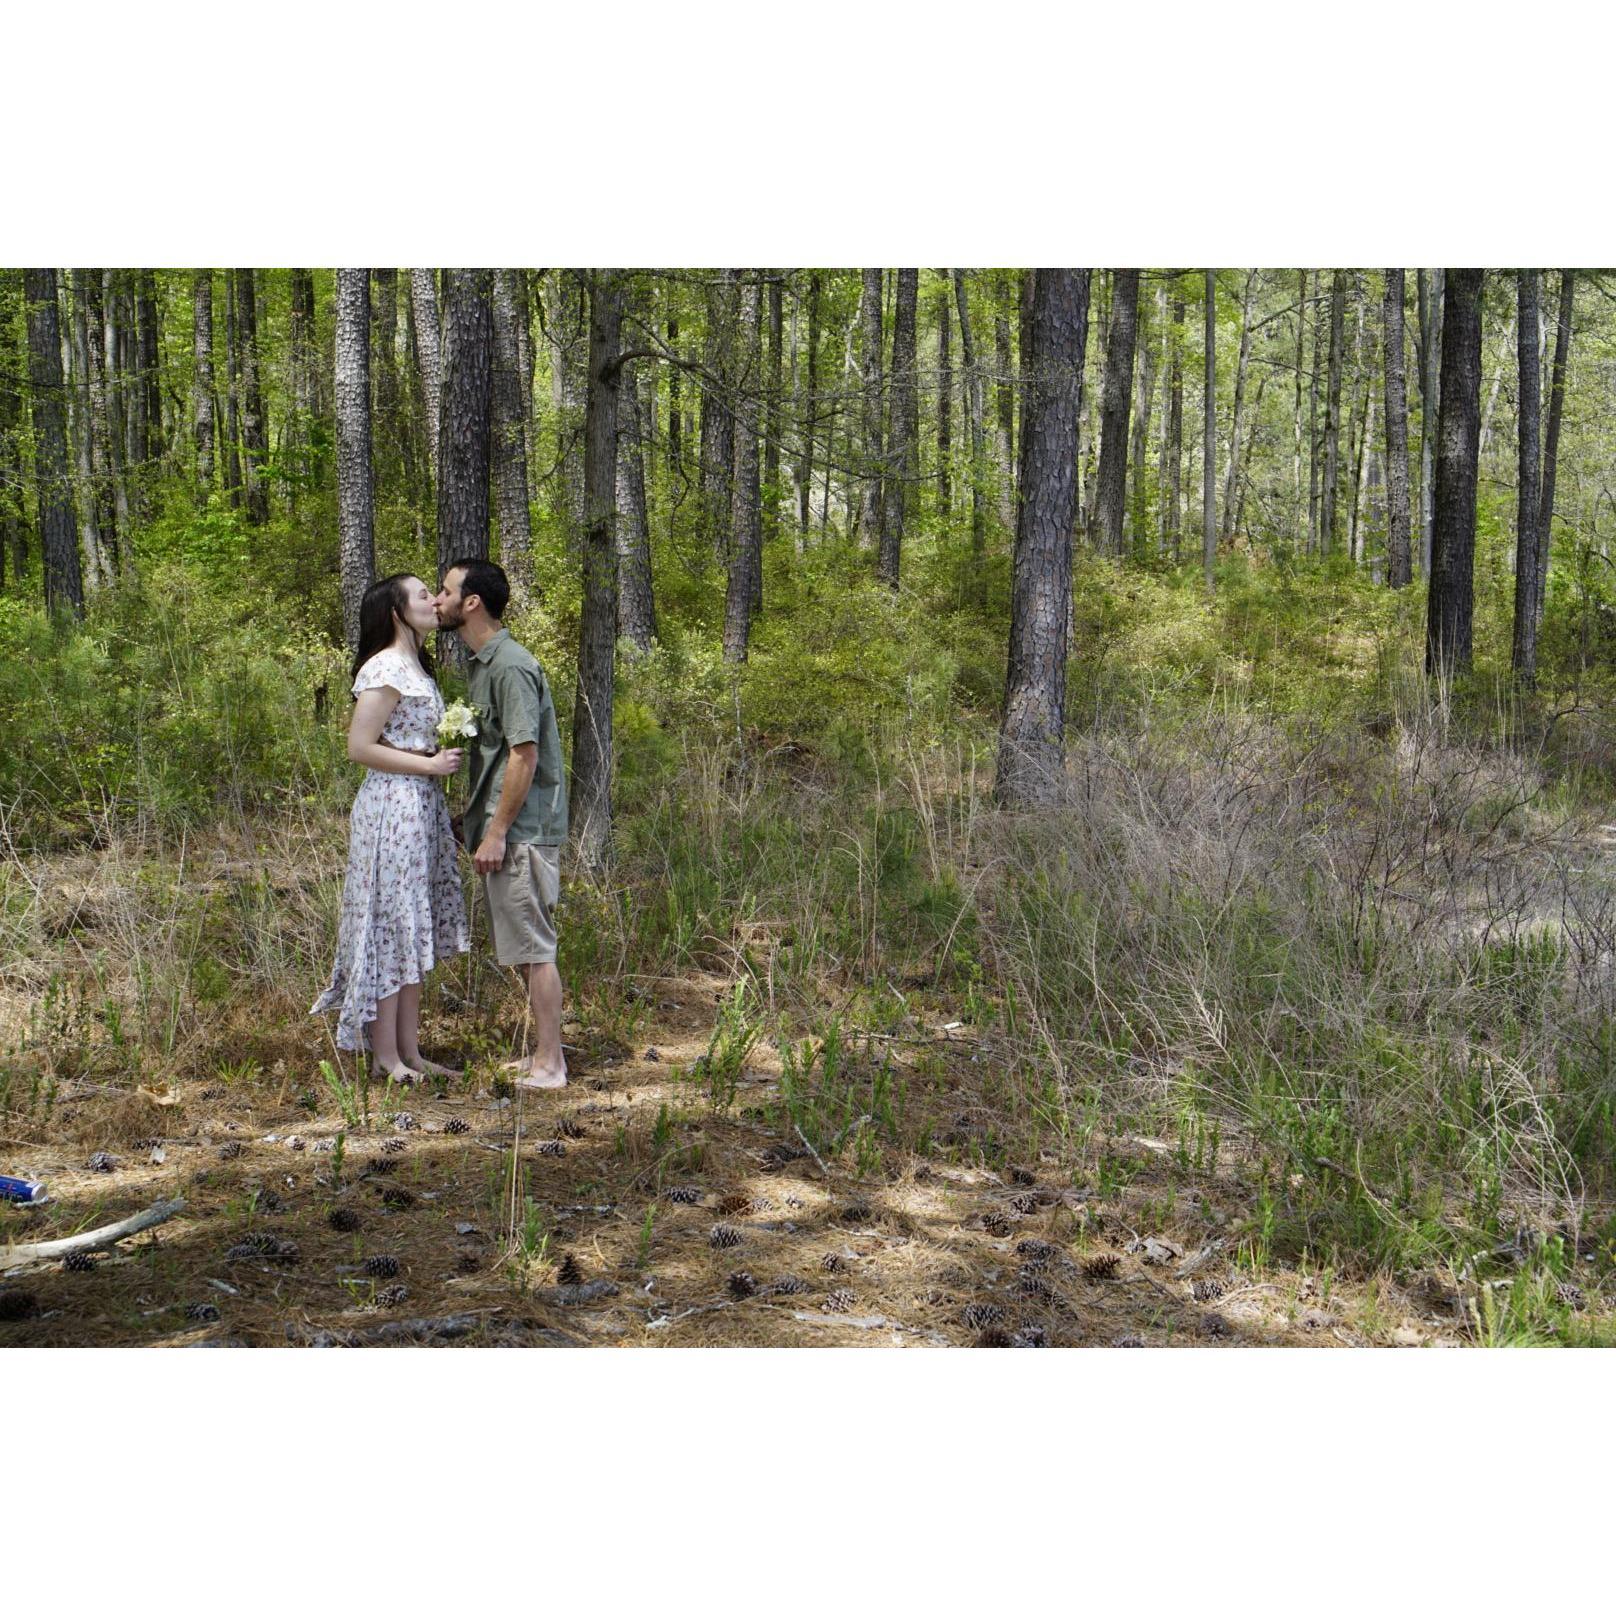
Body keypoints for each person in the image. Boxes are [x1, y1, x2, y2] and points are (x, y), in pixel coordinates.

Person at [311, 574, 469, 1078]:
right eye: (422, 595)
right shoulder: (383, 666)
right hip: (391, 807)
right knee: (391, 923)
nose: (434, 601)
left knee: (412, 923)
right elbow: (360, 747)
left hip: (420, 804)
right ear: (397, 611)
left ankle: (410, 1052)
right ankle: (384, 1057)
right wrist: (429, 764)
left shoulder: (416, 666)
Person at [434, 557, 569, 1090]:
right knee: (525, 947)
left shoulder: (510, 665)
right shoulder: (484, 665)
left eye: (446, 592)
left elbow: (523, 756)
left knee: (535, 948)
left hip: (522, 832)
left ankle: (551, 1065)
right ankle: (542, 1054)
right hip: (506, 826)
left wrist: (495, 833)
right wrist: (472, 818)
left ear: (472, 603)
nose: (438, 600)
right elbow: (497, 758)